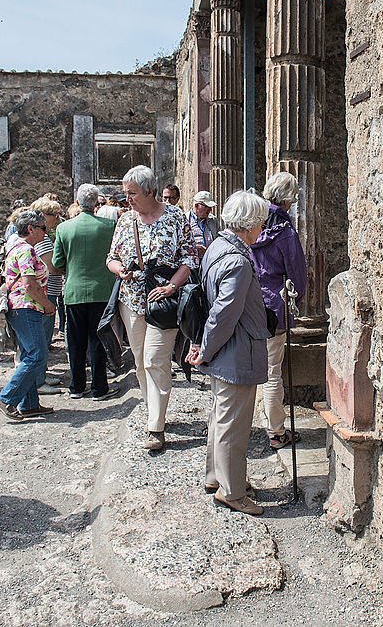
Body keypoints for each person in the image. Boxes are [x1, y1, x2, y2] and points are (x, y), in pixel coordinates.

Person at [186, 190, 272, 516]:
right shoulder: (237, 261)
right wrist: (205, 350)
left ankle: (216, 477)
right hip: (236, 350)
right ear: (249, 224)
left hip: (225, 349)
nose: (262, 228)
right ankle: (232, 491)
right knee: (234, 426)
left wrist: (205, 349)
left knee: (221, 419)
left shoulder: (217, 247)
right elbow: (224, 314)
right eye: (260, 222)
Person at [107, 166, 196, 450]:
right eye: (125, 194)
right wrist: (118, 269)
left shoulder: (175, 217)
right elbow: (111, 257)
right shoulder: (124, 221)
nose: (127, 199)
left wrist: (172, 285)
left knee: (154, 360)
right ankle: (153, 411)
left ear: (149, 191)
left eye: (132, 193)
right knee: (139, 360)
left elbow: (190, 257)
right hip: (131, 300)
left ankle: (155, 427)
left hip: (163, 301)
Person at [251, 173, 308, 450]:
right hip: (275, 305)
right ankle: (276, 432)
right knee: (273, 370)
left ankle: (246, 424)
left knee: (248, 365)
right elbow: (297, 275)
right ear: (289, 199)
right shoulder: (285, 232)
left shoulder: (252, 224)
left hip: (249, 303)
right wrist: (297, 300)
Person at [53, 184, 118, 400]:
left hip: (73, 291)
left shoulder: (64, 228)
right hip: (101, 290)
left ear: (78, 202)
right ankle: (100, 387)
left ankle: (77, 386)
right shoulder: (109, 226)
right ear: (97, 203)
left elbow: (57, 261)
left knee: (75, 340)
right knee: (98, 339)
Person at [0, 210, 57, 422]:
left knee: (30, 354)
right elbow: (30, 284)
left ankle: (29, 404)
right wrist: (47, 304)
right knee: (37, 355)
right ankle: (6, 398)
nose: (45, 233)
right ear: (31, 229)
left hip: (20, 307)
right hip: (26, 307)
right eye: (43, 229)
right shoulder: (26, 250)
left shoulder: (15, 248)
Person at [29, 197, 65, 395]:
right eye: (55, 215)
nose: (58, 219)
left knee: (44, 337)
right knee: (42, 337)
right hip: (47, 293)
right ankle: (38, 379)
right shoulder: (42, 241)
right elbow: (51, 268)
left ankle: (41, 373)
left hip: (49, 291)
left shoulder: (44, 237)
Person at [189, 191, 222, 259]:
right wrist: (195, 248)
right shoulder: (185, 220)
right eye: (207, 206)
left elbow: (219, 240)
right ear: (196, 206)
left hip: (210, 259)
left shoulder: (213, 220)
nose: (210, 210)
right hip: (192, 262)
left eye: (211, 207)